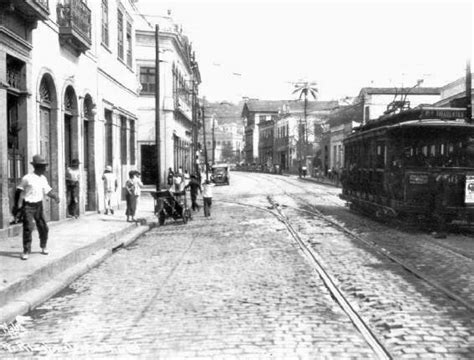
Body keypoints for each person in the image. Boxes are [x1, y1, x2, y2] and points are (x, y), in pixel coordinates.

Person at [13, 155, 60, 260]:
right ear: (36, 167)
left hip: (38, 206)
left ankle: (43, 246)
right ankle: (26, 250)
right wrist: (18, 207)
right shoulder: (27, 178)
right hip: (28, 206)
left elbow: (48, 191)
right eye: (42, 166)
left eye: (44, 166)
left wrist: (55, 196)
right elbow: (19, 192)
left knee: (43, 227)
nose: (44, 168)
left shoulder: (43, 179)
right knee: (28, 228)